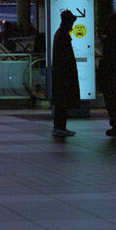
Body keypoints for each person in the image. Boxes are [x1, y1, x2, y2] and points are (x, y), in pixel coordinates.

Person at [51, 9, 80, 138]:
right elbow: (66, 57)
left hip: (60, 73)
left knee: (61, 101)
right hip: (63, 74)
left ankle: (60, 126)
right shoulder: (63, 35)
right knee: (62, 101)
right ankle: (59, 126)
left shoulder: (60, 34)